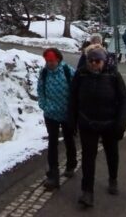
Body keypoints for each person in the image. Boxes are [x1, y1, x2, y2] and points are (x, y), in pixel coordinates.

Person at [69, 45, 126, 207]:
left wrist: (121, 124)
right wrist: (72, 121)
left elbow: (124, 99)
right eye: (91, 61)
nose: (94, 64)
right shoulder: (81, 74)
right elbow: (73, 98)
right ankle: (87, 192)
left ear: (103, 61)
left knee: (111, 153)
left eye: (97, 61)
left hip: (109, 122)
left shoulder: (113, 75)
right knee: (88, 157)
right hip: (87, 121)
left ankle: (113, 178)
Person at [37, 48, 77, 189]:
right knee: (52, 142)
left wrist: (74, 107)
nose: (50, 63)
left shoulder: (68, 71)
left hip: (67, 113)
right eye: (47, 61)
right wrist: (44, 105)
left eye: (52, 61)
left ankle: (71, 164)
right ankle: (53, 175)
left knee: (68, 138)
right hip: (50, 114)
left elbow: (76, 88)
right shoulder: (44, 73)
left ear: (58, 60)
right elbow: (40, 90)